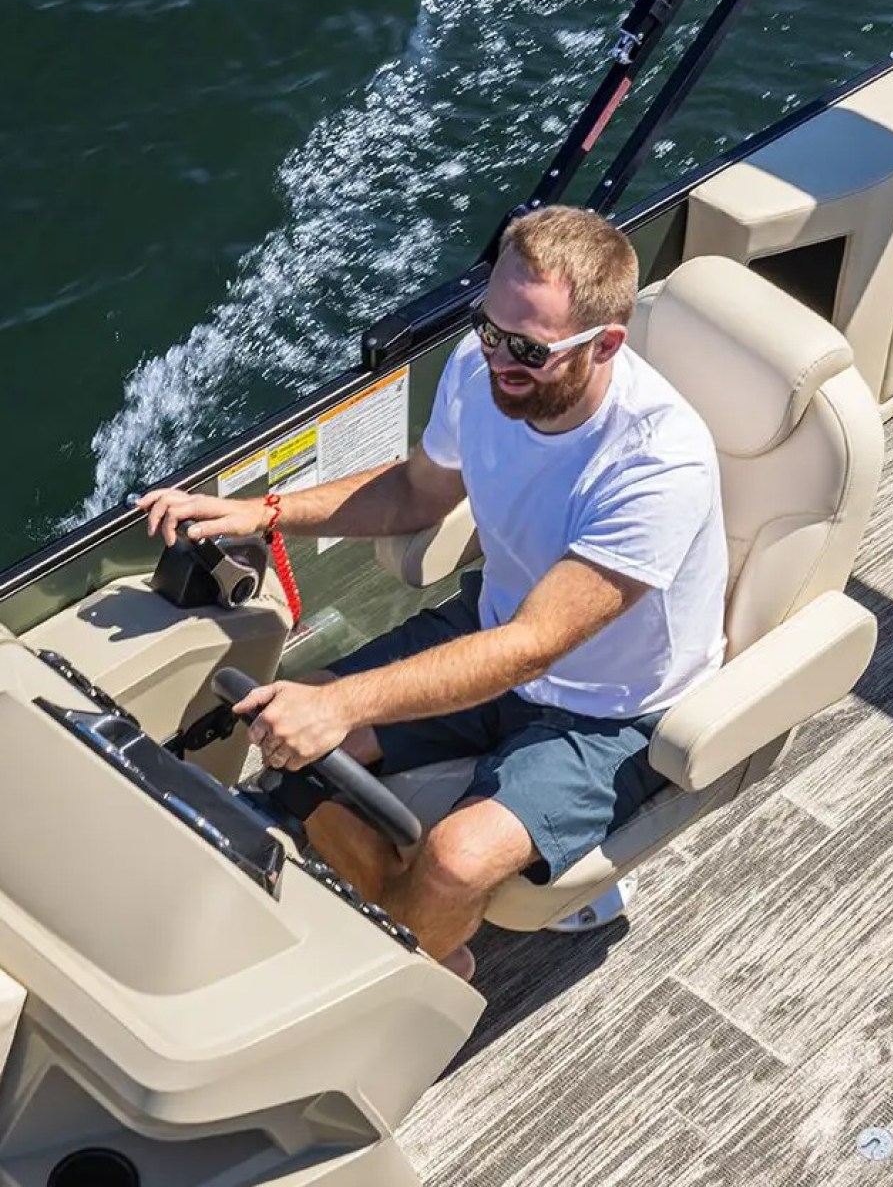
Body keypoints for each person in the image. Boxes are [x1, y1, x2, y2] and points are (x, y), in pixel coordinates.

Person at [137, 205, 728, 981]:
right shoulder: (480, 370)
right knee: (286, 729)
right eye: (489, 328)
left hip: (609, 709)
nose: (497, 357)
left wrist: (347, 705)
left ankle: (390, 973)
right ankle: (426, 945)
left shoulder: (658, 465)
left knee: (453, 859)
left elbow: (533, 647)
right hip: (490, 627)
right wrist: (266, 510)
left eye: (526, 348)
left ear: (605, 345)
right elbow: (417, 494)